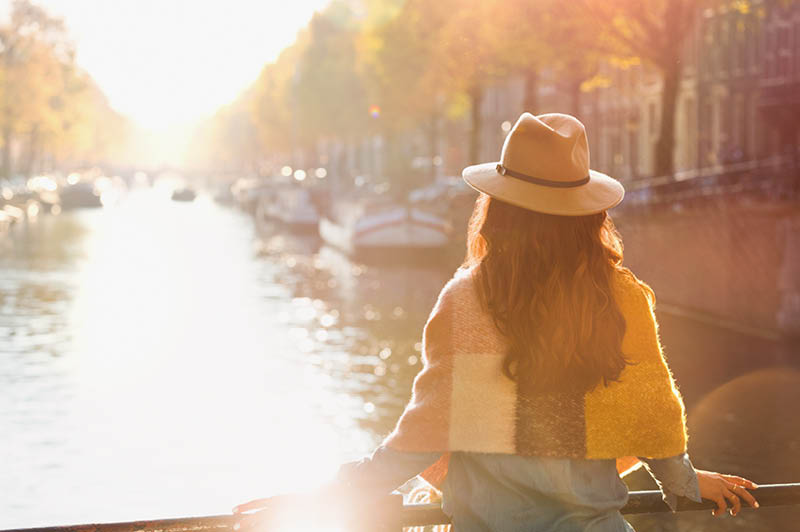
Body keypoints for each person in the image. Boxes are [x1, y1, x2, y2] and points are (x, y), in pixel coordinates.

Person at [234, 113, 758, 531]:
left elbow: (419, 439)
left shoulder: (467, 301)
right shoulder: (622, 298)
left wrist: (319, 502)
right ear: (588, 214)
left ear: (499, 210)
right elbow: (650, 417)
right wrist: (685, 482)